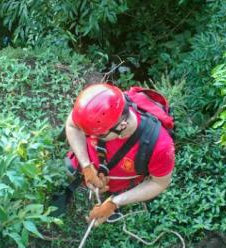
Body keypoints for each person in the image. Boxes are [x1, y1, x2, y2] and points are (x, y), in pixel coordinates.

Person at [56, 83, 175, 226]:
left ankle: (111, 197)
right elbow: (72, 125)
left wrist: (115, 202)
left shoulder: (161, 147)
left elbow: (159, 183)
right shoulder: (100, 109)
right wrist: (86, 166)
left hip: (120, 182)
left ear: (121, 126)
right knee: (70, 169)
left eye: (96, 135)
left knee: (112, 196)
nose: (88, 136)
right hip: (89, 163)